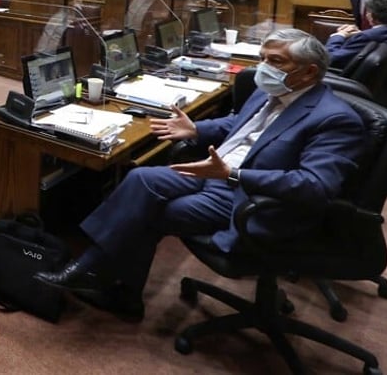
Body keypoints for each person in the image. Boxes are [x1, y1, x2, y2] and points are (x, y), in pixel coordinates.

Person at [34, 29, 366, 321]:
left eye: (276, 61)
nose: (263, 67)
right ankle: (99, 277)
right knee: (140, 179)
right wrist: (195, 129)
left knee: (152, 212)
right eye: (263, 58)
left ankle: (104, 280)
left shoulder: (336, 120)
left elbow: (316, 186)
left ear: (309, 72)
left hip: (251, 196)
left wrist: (235, 174)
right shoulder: (272, 91)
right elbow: (238, 126)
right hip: (215, 173)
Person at [325, 0, 387, 69]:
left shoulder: (367, 37)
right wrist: (360, 35)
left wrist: (338, 36)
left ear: (370, 16)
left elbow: (330, 60)